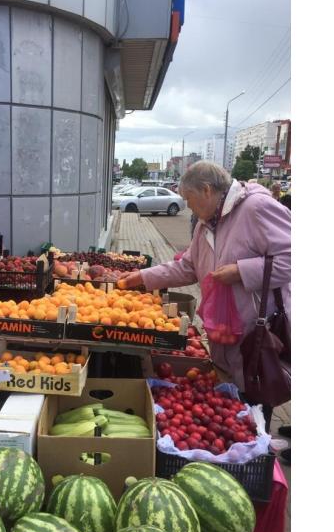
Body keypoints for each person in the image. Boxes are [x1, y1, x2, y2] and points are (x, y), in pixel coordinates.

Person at [118, 161, 291, 432]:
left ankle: (258, 451)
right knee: (231, 410)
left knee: (256, 404)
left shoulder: (257, 208)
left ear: (207, 190)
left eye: (188, 198)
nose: (186, 205)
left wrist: (242, 270)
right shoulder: (206, 224)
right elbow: (188, 266)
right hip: (226, 332)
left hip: (258, 332)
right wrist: (143, 277)